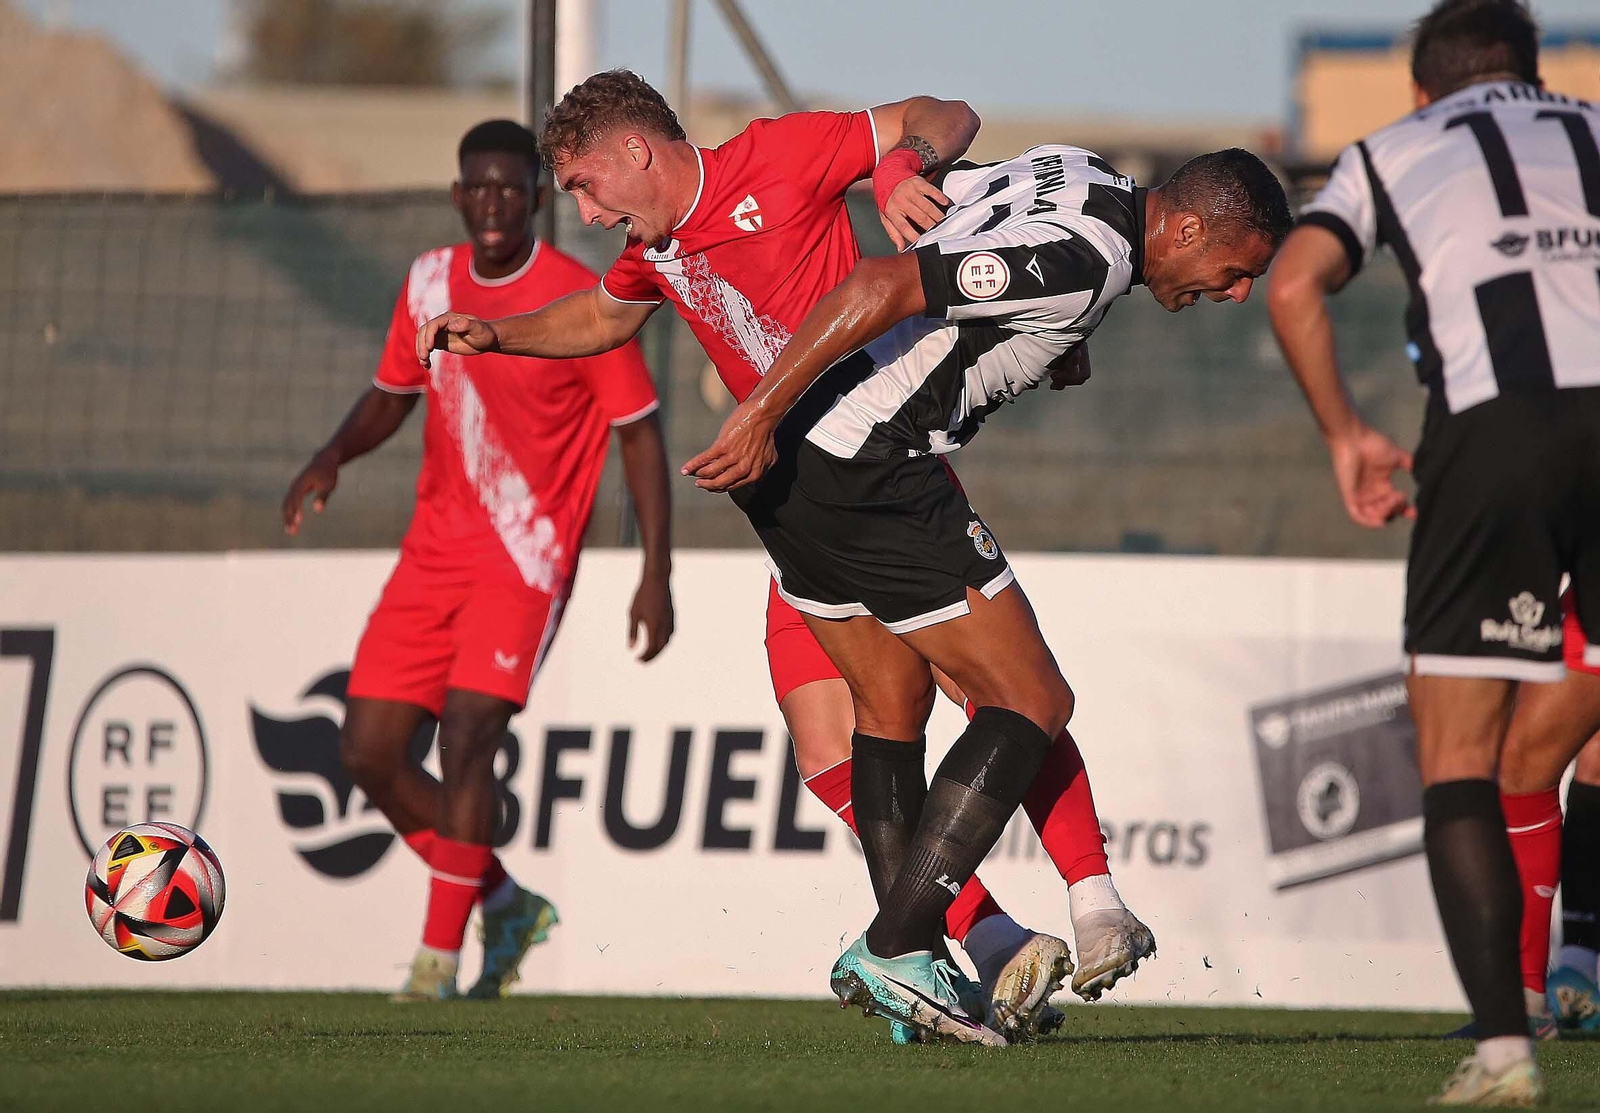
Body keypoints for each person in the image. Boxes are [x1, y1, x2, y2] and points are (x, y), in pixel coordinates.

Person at [418, 70, 1153, 1040]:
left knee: (999, 694)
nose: (588, 213)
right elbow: (601, 315)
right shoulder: (658, 246)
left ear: (637, 151)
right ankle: (944, 950)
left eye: (588, 187)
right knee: (847, 736)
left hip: (869, 469)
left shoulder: (775, 154)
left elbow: (946, 113)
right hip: (790, 497)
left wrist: (898, 161)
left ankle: (1034, 914)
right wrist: (499, 335)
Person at [682, 142, 1289, 1043]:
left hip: (799, 475)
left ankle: (920, 967)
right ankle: (898, 943)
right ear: (1191, 228)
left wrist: (1045, 333)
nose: (1237, 294)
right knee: (1031, 698)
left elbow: (940, 196)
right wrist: (759, 407)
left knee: (888, 705)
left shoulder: (1072, 168)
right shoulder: (1095, 256)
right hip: (872, 461)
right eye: (1237, 270)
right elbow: (889, 280)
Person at [1266, 0, 1600, 1101]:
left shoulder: (1386, 151)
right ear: (1533, 74)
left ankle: (1504, 1049)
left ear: (1422, 91)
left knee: (1463, 755)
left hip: (1494, 436)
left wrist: (1343, 436)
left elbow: (1292, 282)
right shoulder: (1591, 128)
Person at [282, 119, 674, 1001]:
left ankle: (434, 962)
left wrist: (657, 569)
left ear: (537, 199)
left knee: (466, 740)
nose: (494, 202)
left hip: (525, 563)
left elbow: (639, 435)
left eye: (512, 188)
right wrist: (332, 455)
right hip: (431, 558)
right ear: (459, 197)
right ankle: (503, 899)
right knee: (367, 752)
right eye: (479, 188)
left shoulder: (583, 297)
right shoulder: (427, 282)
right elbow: (392, 395)